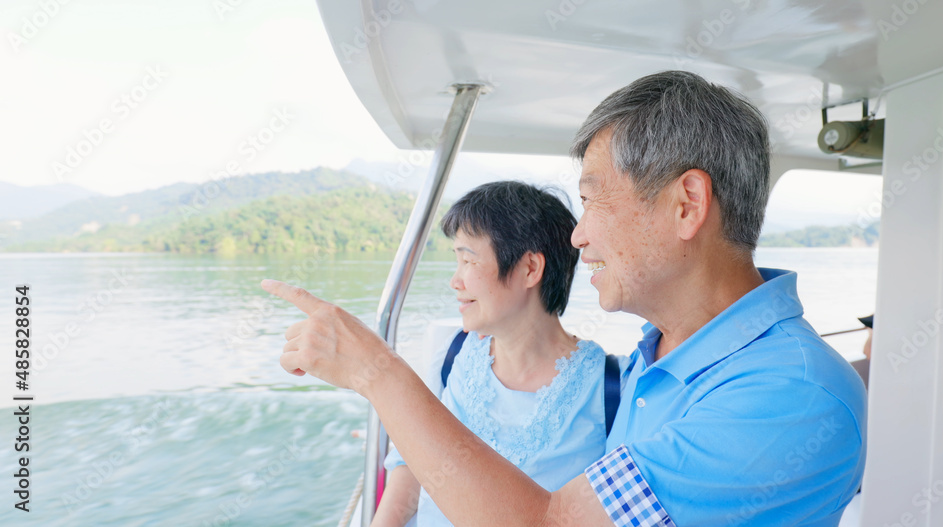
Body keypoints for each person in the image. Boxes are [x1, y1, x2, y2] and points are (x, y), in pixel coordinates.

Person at [263, 70, 867, 526]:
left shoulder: (786, 395)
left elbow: (551, 522)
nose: (578, 235)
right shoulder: (654, 361)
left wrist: (375, 371)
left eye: (594, 198)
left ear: (686, 205)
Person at [372, 181, 614, 526]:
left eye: (468, 261)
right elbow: (412, 459)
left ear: (530, 269)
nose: (455, 281)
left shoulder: (611, 387)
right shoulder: (452, 355)